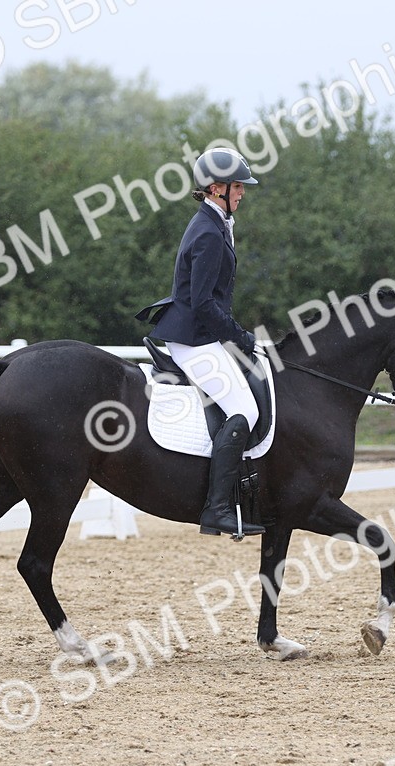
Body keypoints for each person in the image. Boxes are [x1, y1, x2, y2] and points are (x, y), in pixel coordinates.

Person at [136, 147, 265, 537]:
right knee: (245, 409)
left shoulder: (215, 222)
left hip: (199, 333)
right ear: (215, 188)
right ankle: (218, 508)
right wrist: (238, 335)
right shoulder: (209, 231)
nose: (243, 193)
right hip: (194, 339)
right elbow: (204, 302)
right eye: (238, 186)